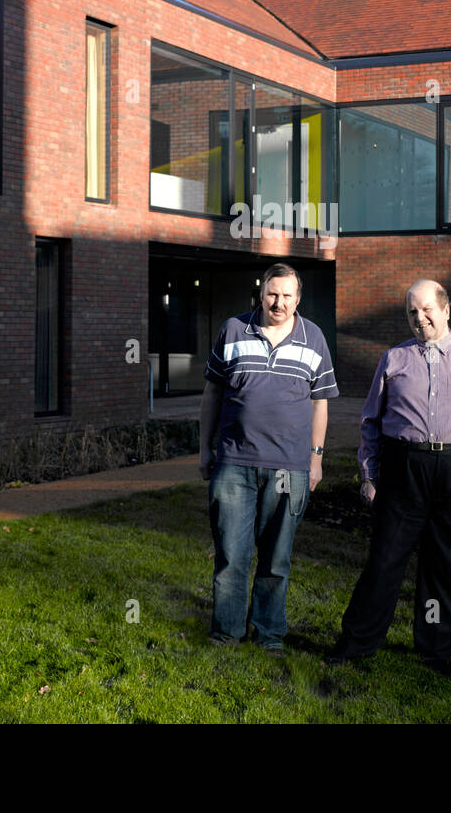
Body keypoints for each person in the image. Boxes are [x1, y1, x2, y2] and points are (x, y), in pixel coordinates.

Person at [326, 279, 451, 684]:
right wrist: (369, 476)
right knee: (385, 559)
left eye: (426, 309)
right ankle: (357, 642)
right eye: (411, 312)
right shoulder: (393, 361)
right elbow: (370, 421)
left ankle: (434, 648)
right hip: (403, 469)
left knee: (445, 565)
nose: (419, 318)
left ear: (445, 310)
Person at [199, 263, 338, 651]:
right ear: (261, 293)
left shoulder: (314, 339)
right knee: (231, 555)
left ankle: (269, 633)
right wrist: (203, 449)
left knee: (276, 560)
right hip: (234, 461)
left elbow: (321, 402)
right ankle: (227, 632)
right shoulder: (232, 330)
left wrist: (316, 457)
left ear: (298, 299)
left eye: (287, 296)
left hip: (289, 467)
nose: (279, 303)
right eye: (272, 294)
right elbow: (212, 394)